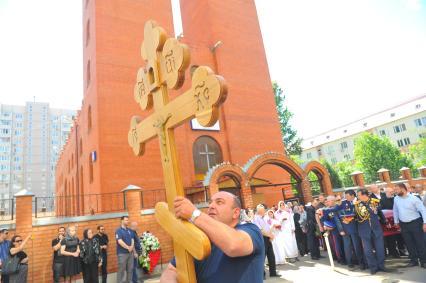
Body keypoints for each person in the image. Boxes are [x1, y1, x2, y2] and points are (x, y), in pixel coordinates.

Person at [161, 192, 267, 283]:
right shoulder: (199, 238)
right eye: (210, 202)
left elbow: (233, 245)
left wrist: (194, 214)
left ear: (235, 213)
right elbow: (172, 270)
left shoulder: (251, 230)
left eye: (219, 202)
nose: (211, 205)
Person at [322, 190, 365, 269]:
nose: (345, 198)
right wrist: (341, 229)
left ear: (352, 196)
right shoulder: (342, 203)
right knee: (347, 246)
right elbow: (336, 217)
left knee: (357, 246)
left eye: (347, 196)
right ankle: (350, 262)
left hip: (355, 228)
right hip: (345, 229)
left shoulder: (357, 202)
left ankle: (361, 262)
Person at [355, 189, 390, 275]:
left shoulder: (375, 202)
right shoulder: (357, 205)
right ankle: (373, 267)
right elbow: (357, 216)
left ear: (364, 195)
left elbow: (379, 213)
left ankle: (381, 266)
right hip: (364, 230)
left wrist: (385, 222)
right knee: (368, 250)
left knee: (380, 249)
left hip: (376, 229)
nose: (357, 197)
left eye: (359, 195)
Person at [393, 183, 426, 268]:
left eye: (397, 190)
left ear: (403, 189)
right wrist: (396, 221)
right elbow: (395, 210)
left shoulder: (413, 198)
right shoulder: (396, 199)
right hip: (403, 224)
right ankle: (413, 260)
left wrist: (425, 223)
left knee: (420, 242)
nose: (395, 191)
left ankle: (423, 261)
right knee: (409, 243)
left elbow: (423, 210)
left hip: (415, 223)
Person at [253, 204, 278, 278]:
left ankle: (273, 273)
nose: (265, 211)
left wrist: (271, 235)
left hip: (267, 238)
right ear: (260, 211)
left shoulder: (264, 218)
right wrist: (269, 235)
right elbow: (260, 230)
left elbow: (267, 228)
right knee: (262, 257)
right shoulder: (256, 218)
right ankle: (261, 275)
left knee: (271, 256)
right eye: (263, 210)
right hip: (262, 238)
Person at [318, 196, 344, 264]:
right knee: (336, 245)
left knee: (344, 244)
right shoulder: (327, 209)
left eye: (328, 201)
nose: (327, 202)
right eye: (327, 201)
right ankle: (340, 258)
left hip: (343, 228)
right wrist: (325, 226)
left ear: (333, 201)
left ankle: (345, 257)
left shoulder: (338, 207)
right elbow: (324, 219)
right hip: (333, 229)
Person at [116, 216, 134, 283]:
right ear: (122, 221)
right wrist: (128, 247)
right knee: (121, 270)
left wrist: (131, 246)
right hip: (122, 253)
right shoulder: (118, 230)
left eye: (128, 220)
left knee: (130, 269)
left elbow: (132, 239)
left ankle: (129, 281)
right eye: (126, 220)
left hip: (130, 253)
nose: (127, 221)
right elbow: (119, 241)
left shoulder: (129, 230)